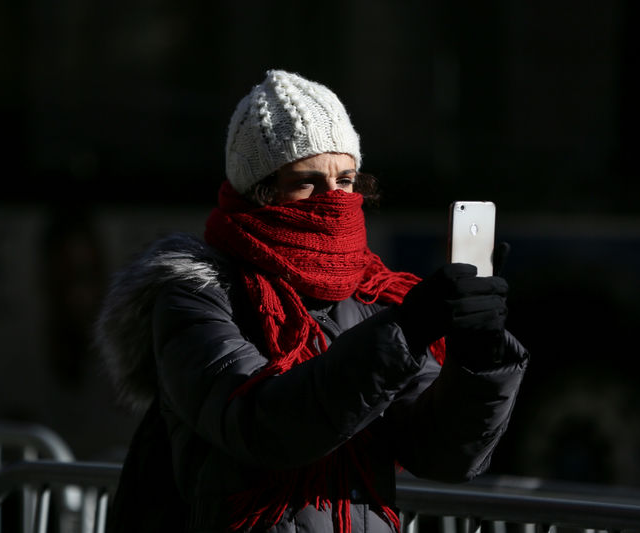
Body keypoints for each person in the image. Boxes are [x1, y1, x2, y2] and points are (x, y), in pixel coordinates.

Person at [96, 69, 529, 533]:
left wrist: (477, 361)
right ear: (260, 192)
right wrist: (406, 332)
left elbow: (440, 454)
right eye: (307, 183)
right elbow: (263, 423)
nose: (334, 200)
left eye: (345, 180)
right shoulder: (197, 293)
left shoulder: (374, 294)